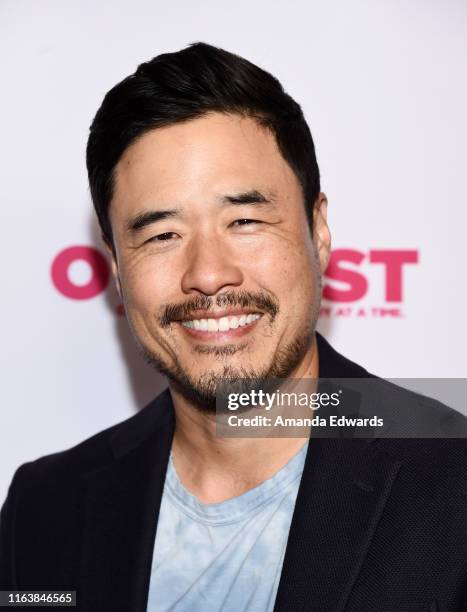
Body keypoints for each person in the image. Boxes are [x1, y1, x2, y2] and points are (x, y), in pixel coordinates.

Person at [1, 43, 466, 612]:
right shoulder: (46, 506)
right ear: (117, 267)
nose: (208, 274)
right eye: (161, 235)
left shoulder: (452, 480)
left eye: (244, 220)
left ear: (318, 230)